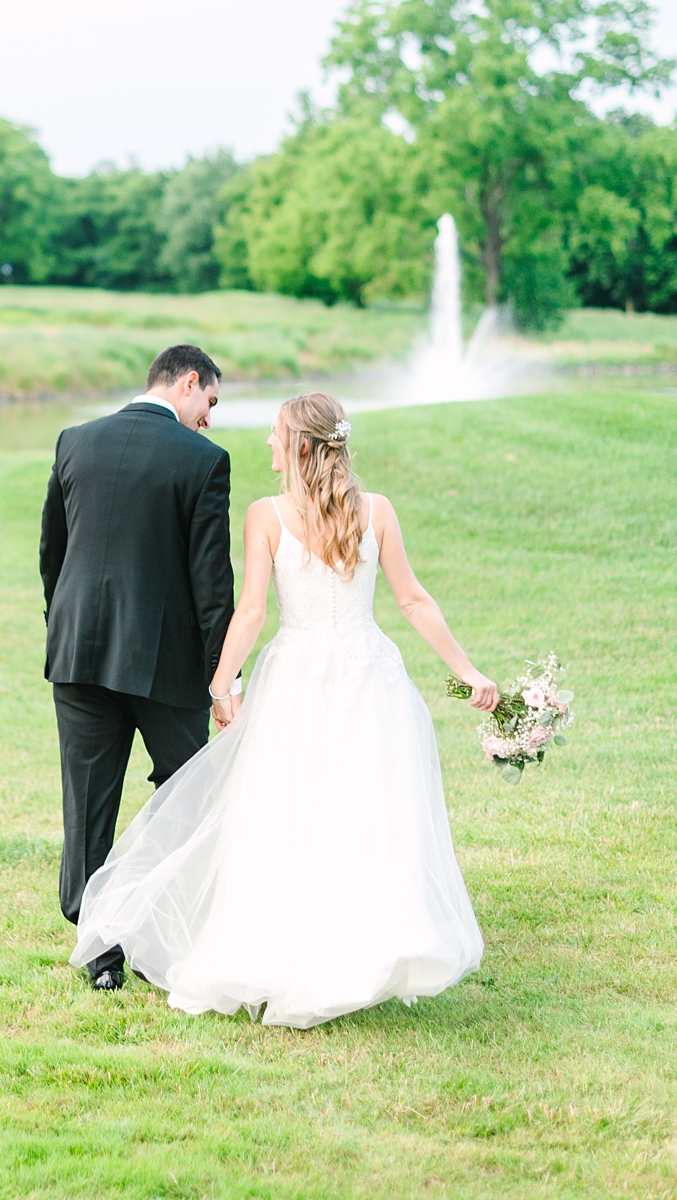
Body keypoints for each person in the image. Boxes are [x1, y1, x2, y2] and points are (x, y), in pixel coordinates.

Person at [70, 390, 492, 1027]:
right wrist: (467, 670)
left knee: (286, 812)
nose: (266, 443)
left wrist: (223, 684)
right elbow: (413, 602)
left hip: (297, 674)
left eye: (274, 434)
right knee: (361, 810)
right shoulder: (375, 511)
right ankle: (353, 950)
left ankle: (299, 951)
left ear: (298, 444)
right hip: (364, 673)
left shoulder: (266, 515)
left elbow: (252, 613)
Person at [39, 343, 233, 991]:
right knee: (186, 796)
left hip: (78, 656)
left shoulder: (76, 440)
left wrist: (64, 631)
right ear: (187, 381)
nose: (208, 417)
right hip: (164, 665)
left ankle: (99, 949)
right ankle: (156, 935)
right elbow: (212, 583)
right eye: (209, 400)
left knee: (88, 803)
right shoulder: (203, 461)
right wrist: (221, 675)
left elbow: (53, 555)